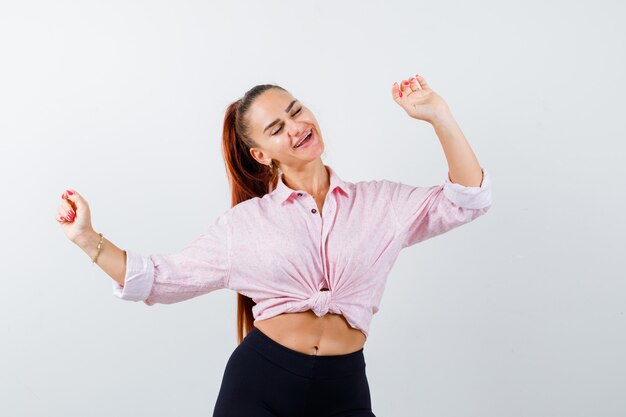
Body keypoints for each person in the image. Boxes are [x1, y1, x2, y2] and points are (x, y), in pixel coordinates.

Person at [55, 74, 492, 417]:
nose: (297, 128)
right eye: (277, 128)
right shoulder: (244, 225)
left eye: (296, 111)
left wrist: (440, 116)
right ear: (262, 155)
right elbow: (161, 278)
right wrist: (88, 239)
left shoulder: (381, 204)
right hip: (260, 387)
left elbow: (468, 200)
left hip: (344, 390)